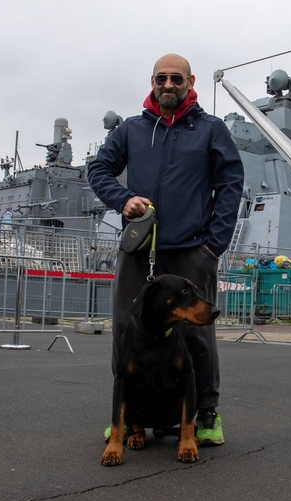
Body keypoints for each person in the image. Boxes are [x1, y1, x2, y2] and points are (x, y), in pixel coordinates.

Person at [87, 53, 245, 446]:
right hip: (139, 249)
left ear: (190, 83)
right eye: (162, 78)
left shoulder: (211, 130)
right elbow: (98, 169)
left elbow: (230, 185)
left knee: (197, 334)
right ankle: (125, 418)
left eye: (177, 79)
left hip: (192, 250)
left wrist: (213, 246)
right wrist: (122, 199)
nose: (169, 85)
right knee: (127, 329)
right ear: (152, 81)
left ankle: (206, 414)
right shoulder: (131, 131)